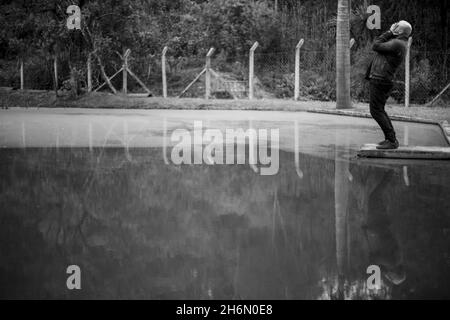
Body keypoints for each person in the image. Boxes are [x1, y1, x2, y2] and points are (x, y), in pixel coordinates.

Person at [366, 21, 412, 150]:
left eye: (396, 26)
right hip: (382, 79)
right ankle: (390, 138)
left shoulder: (397, 43)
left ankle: (391, 140)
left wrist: (389, 32)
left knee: (376, 111)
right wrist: (392, 34)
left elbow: (375, 45)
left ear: (400, 31)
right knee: (379, 110)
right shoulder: (399, 42)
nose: (394, 26)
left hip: (381, 79)